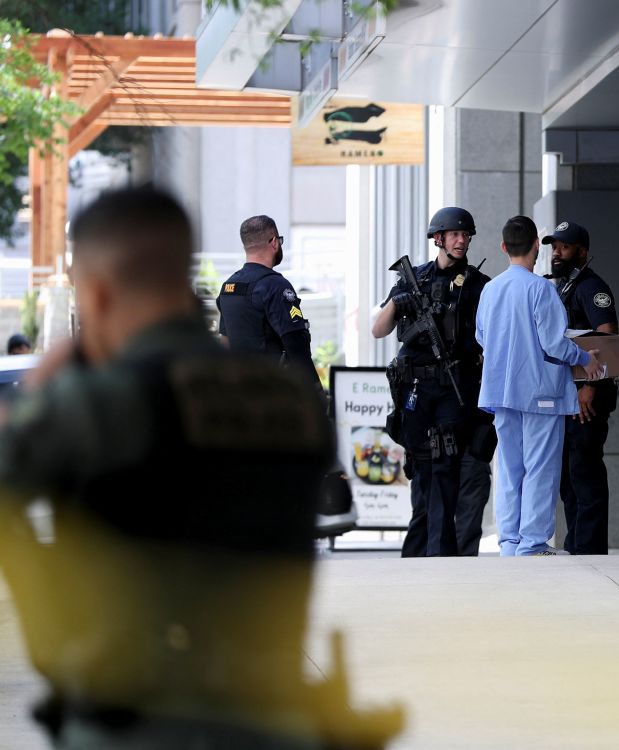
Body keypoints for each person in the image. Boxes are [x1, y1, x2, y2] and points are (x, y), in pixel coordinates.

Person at [0, 187, 401, 749]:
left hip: (127, 723)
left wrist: (51, 638)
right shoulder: (286, 405)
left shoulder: (86, 404)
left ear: (95, 290)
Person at [475, 216, 603, 556]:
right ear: (536, 245)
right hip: (540, 392)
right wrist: (586, 358)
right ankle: (532, 543)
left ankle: (510, 541)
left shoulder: (490, 290)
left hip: (501, 392)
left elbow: (481, 337)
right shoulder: (541, 289)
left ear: (503, 247)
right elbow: (554, 344)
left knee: (509, 468)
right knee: (540, 468)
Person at [372, 207, 491, 557]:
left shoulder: (477, 285)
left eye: (466, 234)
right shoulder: (415, 278)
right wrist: (398, 302)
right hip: (416, 391)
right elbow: (379, 330)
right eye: (455, 234)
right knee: (420, 466)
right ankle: (418, 550)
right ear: (438, 238)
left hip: (455, 386)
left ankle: (439, 552)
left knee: (445, 466)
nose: (462, 240)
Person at [543, 220, 618, 555]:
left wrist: (590, 385)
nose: (556, 253)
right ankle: (576, 548)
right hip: (568, 397)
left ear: (582, 252)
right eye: (554, 246)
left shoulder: (591, 286)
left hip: (587, 397)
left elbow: (607, 333)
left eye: (564, 247)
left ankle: (590, 552)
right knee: (569, 481)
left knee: (585, 476)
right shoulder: (564, 287)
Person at [216, 215, 319, 389]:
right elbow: (295, 343)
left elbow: (225, 343)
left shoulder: (228, 287)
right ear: (274, 242)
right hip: (273, 396)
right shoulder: (276, 286)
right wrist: (315, 389)